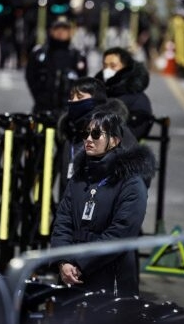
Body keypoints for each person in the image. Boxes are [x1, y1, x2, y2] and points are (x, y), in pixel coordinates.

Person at [51, 111, 156, 297]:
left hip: (111, 279)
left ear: (114, 140)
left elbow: (120, 233)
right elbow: (62, 222)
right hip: (72, 275)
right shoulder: (80, 177)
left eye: (96, 134)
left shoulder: (131, 182)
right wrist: (64, 261)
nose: (88, 139)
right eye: (85, 134)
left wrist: (81, 263)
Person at [56, 77, 136, 193]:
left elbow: (135, 175)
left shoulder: (114, 130)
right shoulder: (71, 131)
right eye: (71, 97)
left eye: (79, 97)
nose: (73, 101)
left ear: (95, 100)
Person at [25, 19, 88, 116]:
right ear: (51, 31)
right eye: (57, 28)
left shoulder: (78, 55)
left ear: (70, 32)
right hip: (42, 107)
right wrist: (39, 97)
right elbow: (30, 76)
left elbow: (82, 80)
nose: (61, 32)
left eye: (64, 29)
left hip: (68, 109)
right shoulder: (39, 53)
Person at [95, 46, 154, 139]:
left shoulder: (137, 99)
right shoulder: (98, 92)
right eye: (105, 66)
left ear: (126, 68)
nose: (107, 70)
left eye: (113, 66)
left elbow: (134, 133)